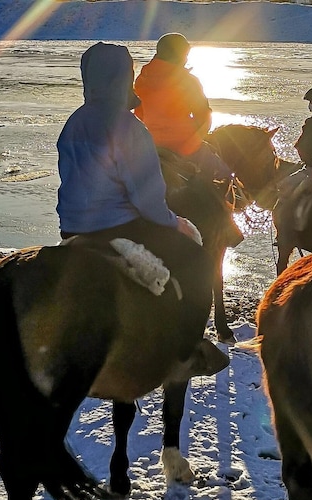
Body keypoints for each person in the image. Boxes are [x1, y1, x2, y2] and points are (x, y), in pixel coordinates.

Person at [56, 42, 210, 306]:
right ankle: (186, 335)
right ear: (123, 77)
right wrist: (176, 223)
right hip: (117, 227)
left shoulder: (74, 122)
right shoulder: (128, 127)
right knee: (196, 258)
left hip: (71, 227)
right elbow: (147, 200)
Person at [133, 33, 230, 179]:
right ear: (179, 54)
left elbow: (139, 113)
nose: (186, 59)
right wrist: (197, 138)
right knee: (225, 176)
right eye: (185, 54)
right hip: (184, 145)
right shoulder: (188, 81)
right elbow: (204, 116)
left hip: (150, 146)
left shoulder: (141, 79)